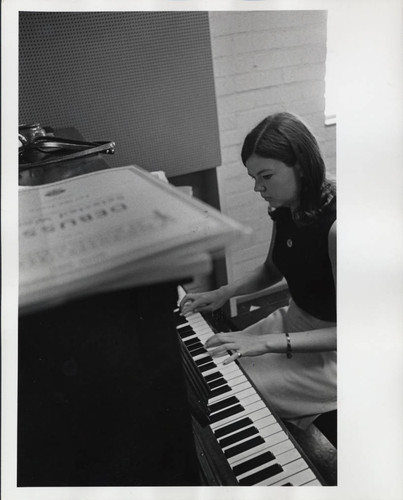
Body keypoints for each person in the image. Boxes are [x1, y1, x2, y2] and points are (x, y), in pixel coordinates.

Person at [180, 112, 337, 440]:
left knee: (236, 396)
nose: (257, 188)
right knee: (217, 363)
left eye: (265, 176)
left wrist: (264, 342)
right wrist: (223, 292)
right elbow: (272, 269)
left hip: (332, 356)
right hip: (293, 323)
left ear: (303, 166)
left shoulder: (339, 228)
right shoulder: (288, 204)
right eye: (254, 177)